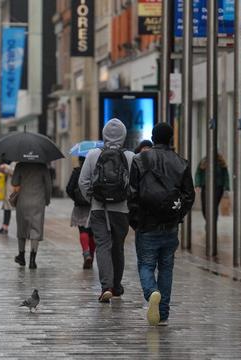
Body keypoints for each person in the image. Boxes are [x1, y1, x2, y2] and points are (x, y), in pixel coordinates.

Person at [129, 122, 195, 326]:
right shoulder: (181, 162)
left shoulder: (140, 160)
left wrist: (136, 221)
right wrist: (177, 214)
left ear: (153, 137)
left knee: (146, 265)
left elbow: (131, 193)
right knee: (166, 268)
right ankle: (163, 312)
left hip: (147, 224)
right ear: (171, 139)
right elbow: (189, 195)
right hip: (170, 225)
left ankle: (152, 293)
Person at [79, 118, 135, 303]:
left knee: (103, 245)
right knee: (118, 246)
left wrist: (93, 198)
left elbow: (83, 181)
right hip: (121, 210)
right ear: (124, 135)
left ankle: (106, 287)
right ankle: (117, 286)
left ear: (103, 134)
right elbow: (135, 185)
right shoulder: (130, 156)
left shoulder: (93, 154)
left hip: (99, 209)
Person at [12, 162, 52, 269]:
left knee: (22, 228)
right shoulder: (43, 166)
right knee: (36, 229)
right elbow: (48, 185)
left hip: (23, 201)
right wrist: (47, 200)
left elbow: (14, 182)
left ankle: (21, 256)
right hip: (38, 202)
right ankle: (32, 260)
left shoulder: (20, 165)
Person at [66, 157, 95, 269]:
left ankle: (86, 253)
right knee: (93, 233)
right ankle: (91, 257)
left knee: (83, 230)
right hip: (94, 206)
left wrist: (76, 199)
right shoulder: (96, 170)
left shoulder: (77, 171)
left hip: (80, 206)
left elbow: (69, 188)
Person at [195, 154, 230, 220]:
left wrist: (226, 187)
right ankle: (208, 222)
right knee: (205, 206)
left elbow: (225, 175)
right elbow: (198, 173)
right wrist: (197, 184)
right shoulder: (204, 161)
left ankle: (213, 223)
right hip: (206, 186)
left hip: (218, 187)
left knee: (214, 206)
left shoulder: (221, 162)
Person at [0, 161, 16, 235]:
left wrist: (6, 167)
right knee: (7, 208)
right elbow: (9, 172)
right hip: (9, 188)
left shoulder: (22, 163)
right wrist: (4, 169)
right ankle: (4, 227)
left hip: (15, 189)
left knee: (20, 210)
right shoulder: (13, 163)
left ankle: (25, 229)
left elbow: (15, 172)